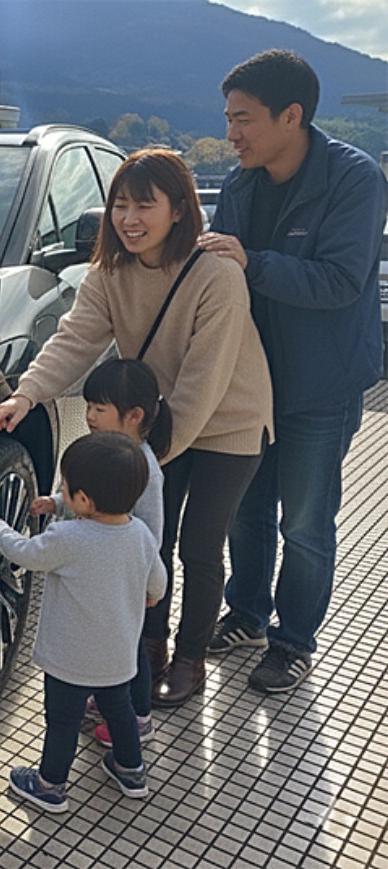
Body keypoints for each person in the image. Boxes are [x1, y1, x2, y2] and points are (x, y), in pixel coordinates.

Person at [0, 148, 273, 708]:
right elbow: (74, 339)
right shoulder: (108, 273)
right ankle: (149, 650)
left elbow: (204, 380)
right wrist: (26, 394)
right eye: (120, 205)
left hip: (229, 422)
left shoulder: (217, 274)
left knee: (200, 546)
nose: (129, 219)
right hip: (157, 422)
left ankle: (190, 659)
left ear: (179, 210)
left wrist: (140, 456)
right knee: (150, 539)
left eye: (145, 205)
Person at [200, 50, 388, 693]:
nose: (231, 134)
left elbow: (339, 281)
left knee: (305, 522)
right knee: (245, 509)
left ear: (291, 116)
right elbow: (217, 277)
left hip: (321, 383)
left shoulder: (354, 179)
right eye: (228, 119)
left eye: (243, 119)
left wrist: (251, 262)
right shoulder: (239, 185)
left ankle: (293, 640)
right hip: (251, 382)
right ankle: (247, 615)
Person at [0, 431, 166, 813]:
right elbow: (159, 582)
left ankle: (50, 785)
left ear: (83, 499)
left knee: (63, 721)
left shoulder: (67, 536)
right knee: (120, 712)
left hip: (70, 659)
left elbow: (25, 553)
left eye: (64, 487)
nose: (62, 492)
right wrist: (150, 595)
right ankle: (131, 771)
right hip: (117, 657)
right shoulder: (141, 535)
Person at [32, 359, 171, 747]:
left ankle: (138, 717)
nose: (89, 416)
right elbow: (92, 497)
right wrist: (57, 502)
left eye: (99, 408)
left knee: (130, 649)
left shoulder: (144, 469)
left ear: (134, 416)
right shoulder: (110, 453)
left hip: (125, 578)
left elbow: (152, 535)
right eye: (88, 406)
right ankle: (114, 702)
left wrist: (147, 581)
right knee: (113, 645)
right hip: (104, 572)